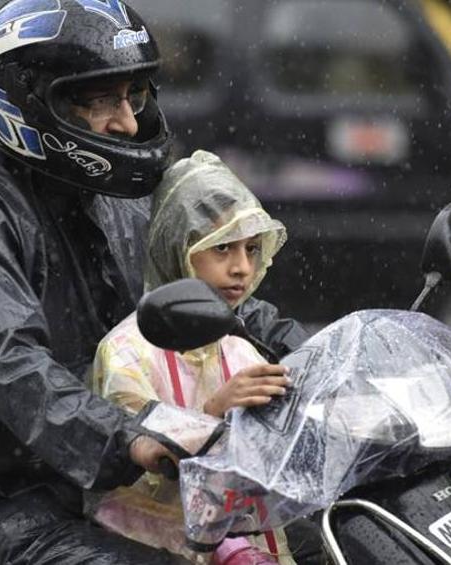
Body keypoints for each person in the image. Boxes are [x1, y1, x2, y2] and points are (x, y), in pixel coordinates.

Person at [0, 2, 308, 563]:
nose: (128, 122)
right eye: (101, 101)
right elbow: (14, 368)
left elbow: (211, 294)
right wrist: (130, 435)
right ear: (31, 104)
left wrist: (315, 358)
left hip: (104, 483)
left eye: (133, 96)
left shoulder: (120, 201)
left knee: (313, 536)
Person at [90, 150, 297, 563]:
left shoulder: (240, 347)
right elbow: (131, 479)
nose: (241, 267)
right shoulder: (126, 352)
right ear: (177, 247)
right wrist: (213, 412)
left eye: (252, 249)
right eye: (222, 248)